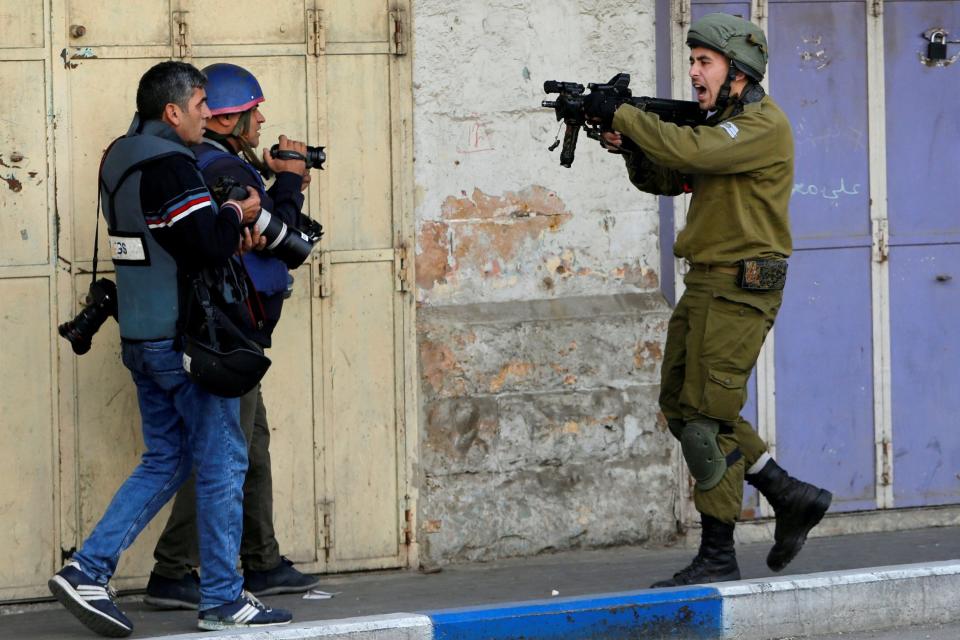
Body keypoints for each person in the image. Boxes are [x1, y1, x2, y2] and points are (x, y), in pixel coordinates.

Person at [585, 13, 833, 587]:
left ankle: (719, 553)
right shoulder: (719, 125)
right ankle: (787, 492)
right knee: (680, 404)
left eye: (705, 62)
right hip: (707, 280)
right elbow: (669, 177)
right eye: (692, 60)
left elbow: (691, 151)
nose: (693, 71)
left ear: (739, 73)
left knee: (706, 421)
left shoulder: (760, 127)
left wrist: (622, 111)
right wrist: (628, 145)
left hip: (743, 284)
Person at [47, 61, 292, 636]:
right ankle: (224, 600)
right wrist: (239, 211)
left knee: (167, 458)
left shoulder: (119, 156)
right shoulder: (172, 166)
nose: (209, 115)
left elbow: (145, 241)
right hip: (183, 343)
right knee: (224, 461)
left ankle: (88, 568)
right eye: (202, 104)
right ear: (173, 111)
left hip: (138, 333)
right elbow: (204, 244)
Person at [143, 62, 321, 610]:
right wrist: (288, 180)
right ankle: (174, 571)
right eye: (253, 110)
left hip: (236, 336)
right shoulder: (217, 167)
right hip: (223, 336)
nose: (262, 118)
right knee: (220, 454)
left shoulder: (214, 162)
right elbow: (284, 238)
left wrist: (271, 179)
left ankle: (262, 561)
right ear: (225, 117)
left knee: (251, 448)